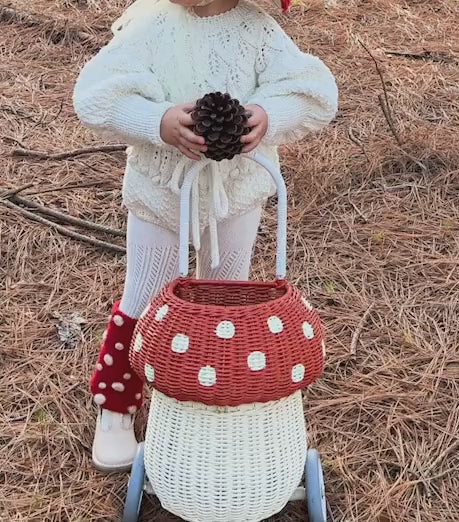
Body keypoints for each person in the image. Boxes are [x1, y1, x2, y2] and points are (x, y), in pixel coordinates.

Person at [73, 0, 338, 472]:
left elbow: (313, 92)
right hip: (161, 188)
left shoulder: (258, 32)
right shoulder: (151, 23)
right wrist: (156, 121)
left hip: (235, 191)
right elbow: (95, 94)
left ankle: (210, 398)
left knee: (225, 295)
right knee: (144, 295)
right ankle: (117, 406)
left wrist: (268, 115)